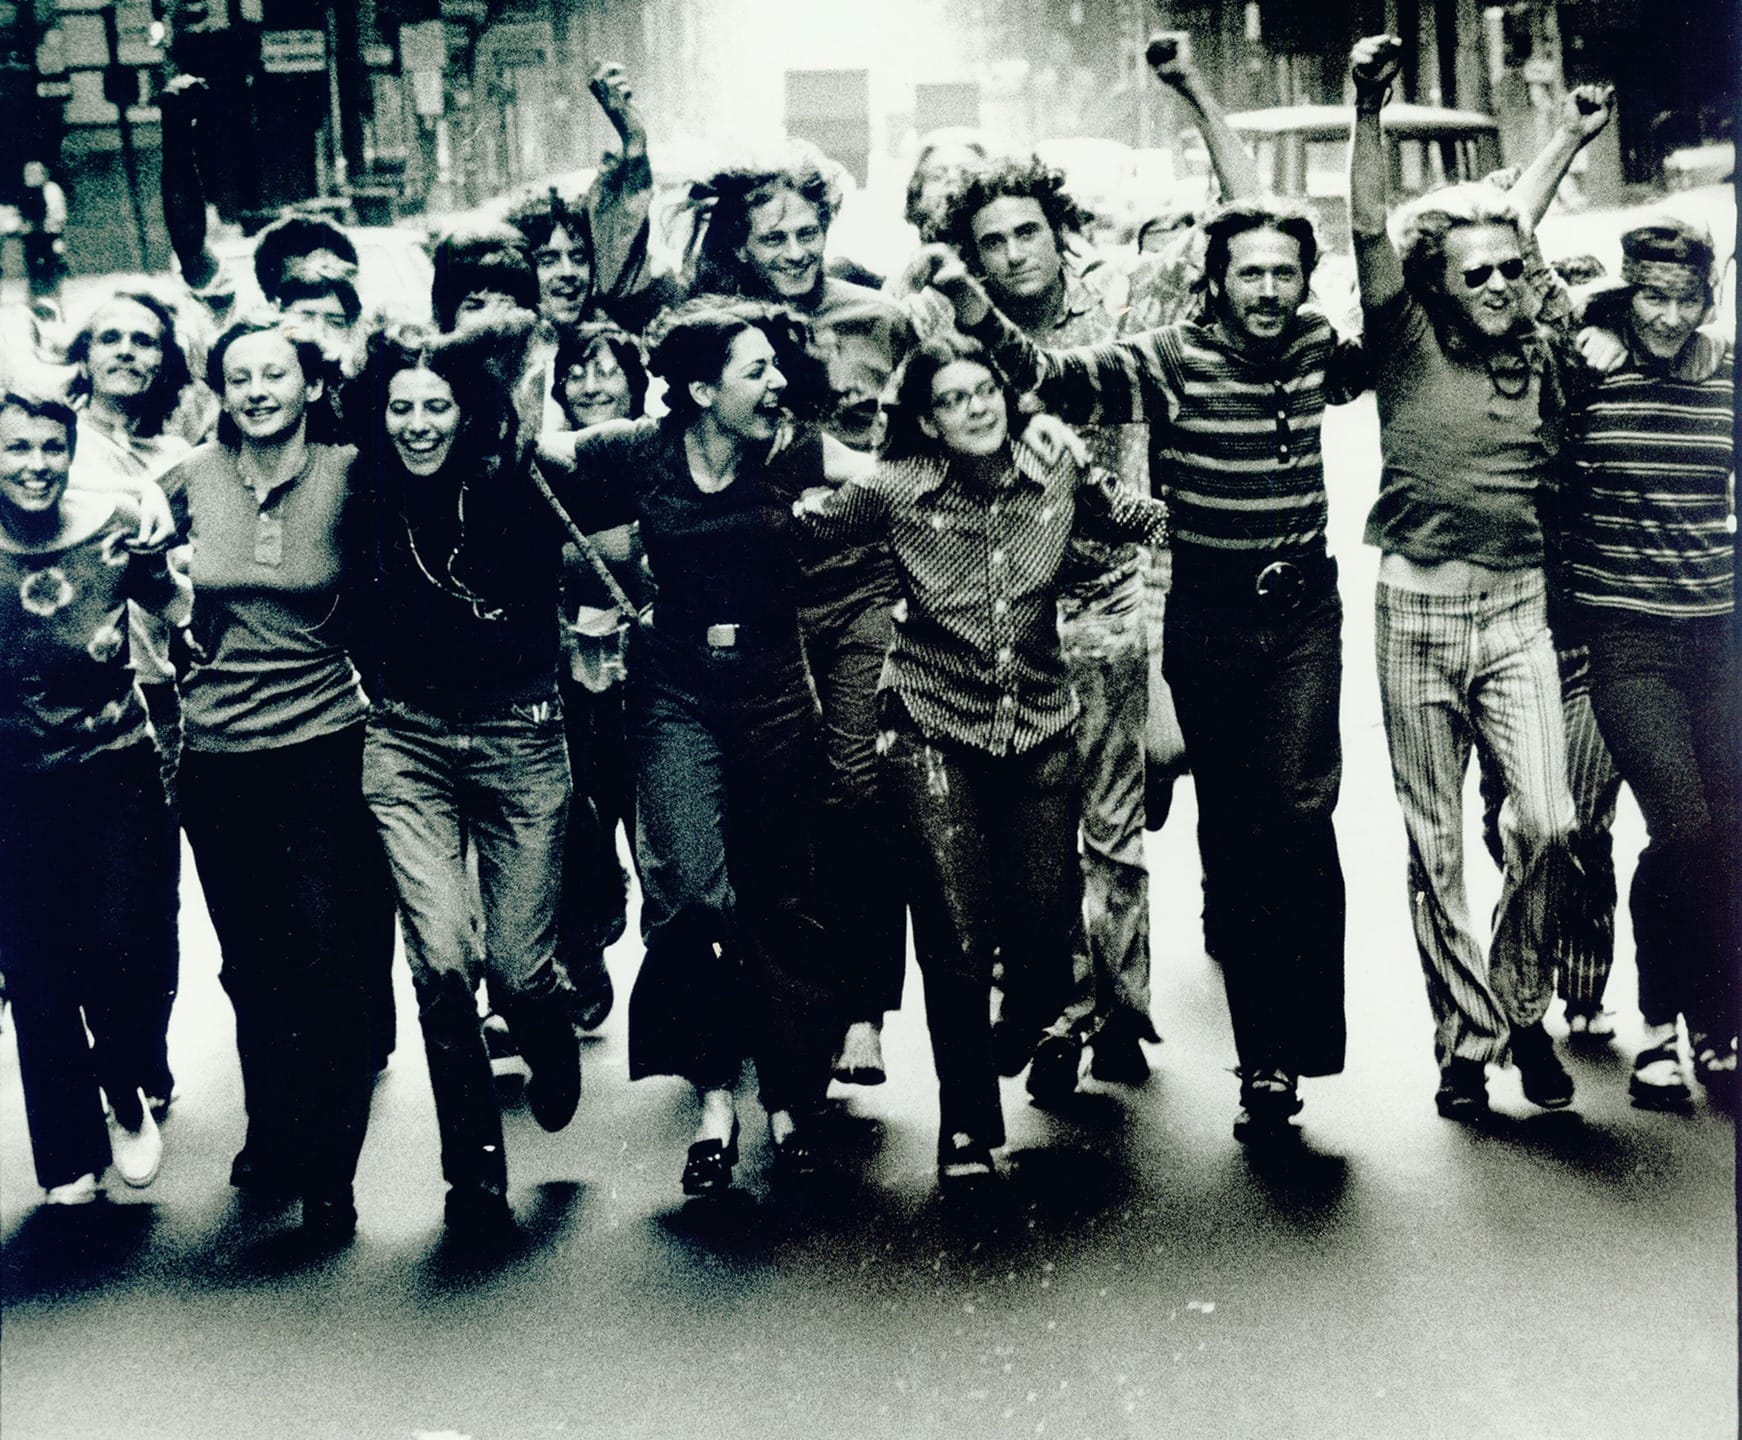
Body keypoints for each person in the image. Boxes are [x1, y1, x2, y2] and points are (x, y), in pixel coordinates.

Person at [914, 180, 1368, 1140]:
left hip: (1303, 613)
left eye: (1287, 272)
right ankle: (1268, 1060)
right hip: (1205, 610)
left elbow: (1398, 314)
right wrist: (971, 310)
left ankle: (1304, 1030)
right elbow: (1047, 372)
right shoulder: (1168, 361)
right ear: (1213, 284)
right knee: (1240, 831)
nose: (1271, 289)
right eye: (1251, 272)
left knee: (1300, 811)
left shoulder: (1320, 352)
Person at [926, 31, 1264, 1097]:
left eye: (1028, 232)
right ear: (971, 257)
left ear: (1057, 233)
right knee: (1037, 831)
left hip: (1119, 595)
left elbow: (1240, 220)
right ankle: (1070, 999)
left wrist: (1192, 94)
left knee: (1114, 817)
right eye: (993, 241)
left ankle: (1105, 1007)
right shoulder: (953, 344)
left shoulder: (1125, 302)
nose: (1014, 253)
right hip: (999, 615)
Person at [792, 334, 1169, 1186]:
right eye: (952, 399)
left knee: (1041, 928)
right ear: (926, 419)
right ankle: (964, 1126)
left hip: (1039, 728)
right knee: (955, 938)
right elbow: (801, 528)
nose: (975, 408)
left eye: (984, 391)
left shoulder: (1058, 475)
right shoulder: (891, 489)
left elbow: (1145, 520)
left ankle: (1027, 1015)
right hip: (932, 731)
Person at [1347, 36, 1615, 1120]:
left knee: (1548, 825)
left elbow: (1516, 226)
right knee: (1435, 846)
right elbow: (1368, 226)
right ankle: (1465, 1045)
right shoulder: (1404, 337)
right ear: (1434, 286)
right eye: (1479, 274)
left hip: (1515, 613)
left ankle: (1513, 1009)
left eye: (1512, 269)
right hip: (1410, 612)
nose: (1501, 283)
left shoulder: (1536, 344)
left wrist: (1566, 137)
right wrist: (1365, 107)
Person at [536, 297, 837, 1194]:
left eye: (778, 368)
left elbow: (892, 464)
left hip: (779, 691)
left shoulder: (797, 448)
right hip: (672, 693)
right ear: (701, 389)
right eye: (757, 370)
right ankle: (715, 1100)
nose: (777, 382)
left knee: (782, 900)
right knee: (691, 898)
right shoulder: (636, 449)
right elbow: (533, 467)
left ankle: (791, 1100)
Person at [679, 149, 916, 1087]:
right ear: (739, 243)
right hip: (754, 600)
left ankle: (864, 1011)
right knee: (771, 813)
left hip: (861, 587)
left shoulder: (880, 319)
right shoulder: (720, 334)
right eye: (769, 236)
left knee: (860, 793)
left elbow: (921, 438)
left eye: (805, 232)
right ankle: (781, 1005)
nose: (791, 249)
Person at [353, 319, 584, 1245]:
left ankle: (547, 1021)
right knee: (443, 962)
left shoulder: (515, 479)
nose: (416, 424)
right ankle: (474, 1171)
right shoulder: (359, 484)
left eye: (435, 405)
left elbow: (527, 339)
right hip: (404, 740)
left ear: (467, 411)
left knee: (519, 968)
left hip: (521, 738)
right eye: (400, 406)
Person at [163, 318, 384, 1246]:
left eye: (275, 374)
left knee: (329, 957)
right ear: (220, 389)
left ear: (307, 384)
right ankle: (271, 1123)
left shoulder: (349, 470)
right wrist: (167, 606)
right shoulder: (188, 477)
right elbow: (129, 564)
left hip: (327, 743)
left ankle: (330, 1170)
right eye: (239, 376)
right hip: (215, 756)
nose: (257, 390)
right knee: (253, 963)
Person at [1559, 216, 1737, 1107]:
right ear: (1628, 292)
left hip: (1719, 633)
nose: (1666, 318)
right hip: (1626, 639)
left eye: (1685, 299)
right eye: (1650, 297)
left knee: (1731, 834)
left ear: (1709, 298)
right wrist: (1592, 313)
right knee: (1685, 827)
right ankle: (1660, 1028)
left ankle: (1715, 1024)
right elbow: (1519, 315)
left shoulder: (1728, 373)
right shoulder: (1589, 368)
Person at [0, 392, 187, 1206]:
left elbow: (174, 603)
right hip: (9, 784)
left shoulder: (116, 518)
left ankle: (122, 1086)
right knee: (35, 974)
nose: (35, 464)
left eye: (50, 446)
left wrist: (155, 518)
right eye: (14, 448)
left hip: (112, 765)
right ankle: (68, 1155)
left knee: (119, 944)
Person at [63, 289, 196, 1116]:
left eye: (144, 341)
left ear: (163, 361)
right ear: (83, 354)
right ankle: (108, 1050)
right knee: (81, 895)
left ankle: (141, 1049)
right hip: (71, 699)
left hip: (166, 694)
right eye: (109, 338)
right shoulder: (48, 445)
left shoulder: (183, 455)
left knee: (152, 895)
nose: (125, 353)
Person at [546, 321, 657, 1032]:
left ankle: (690, 977)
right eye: (577, 373)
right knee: (575, 820)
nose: (591, 385)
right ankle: (582, 954)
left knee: (657, 829)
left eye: (606, 371)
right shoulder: (548, 462)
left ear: (633, 379)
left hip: (651, 663)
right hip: (565, 665)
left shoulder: (657, 451)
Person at [19, 162, 67, 306]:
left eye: (35, 173)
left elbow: (57, 213)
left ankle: (52, 298)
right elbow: (24, 215)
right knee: (34, 269)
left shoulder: (51, 189)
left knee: (50, 267)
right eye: (29, 173)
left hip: (49, 235)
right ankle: (35, 299)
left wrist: (49, 226)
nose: (31, 176)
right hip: (32, 237)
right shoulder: (26, 192)